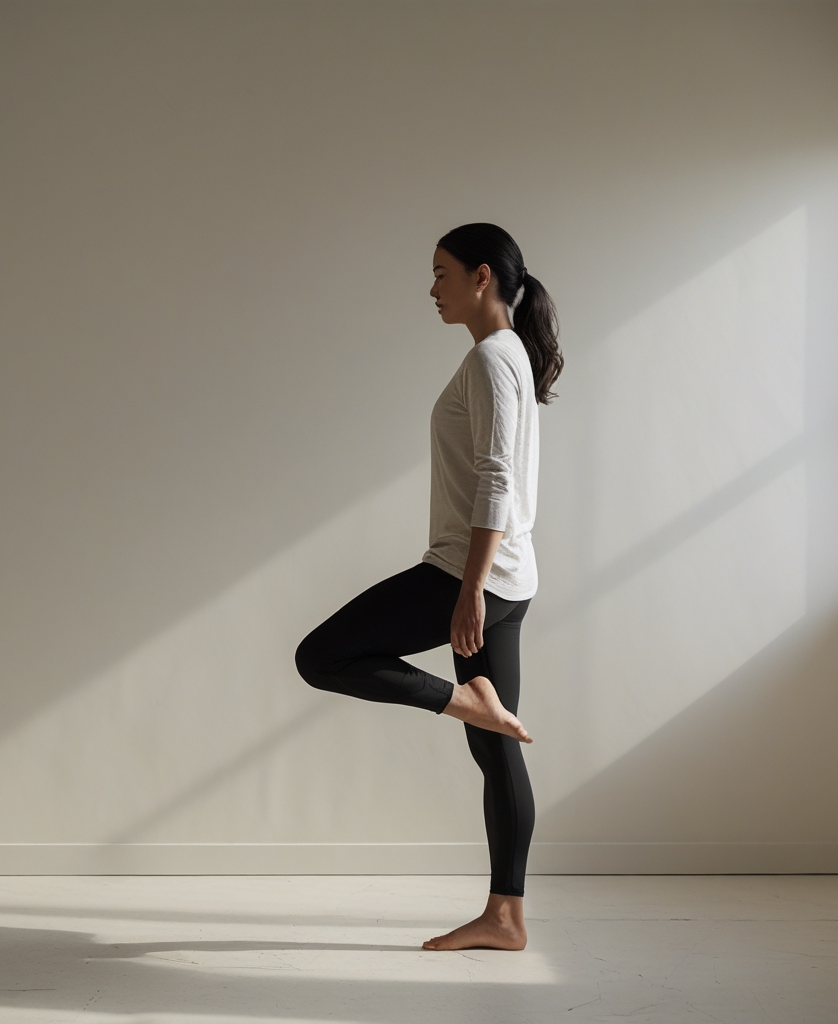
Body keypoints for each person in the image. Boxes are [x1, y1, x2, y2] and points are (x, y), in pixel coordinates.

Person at [294, 222, 563, 951]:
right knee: (497, 743)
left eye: (441, 272)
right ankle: (506, 918)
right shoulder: (509, 356)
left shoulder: (490, 360)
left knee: (321, 657)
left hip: (468, 575)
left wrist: (468, 589)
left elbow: (497, 480)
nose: (432, 288)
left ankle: (462, 701)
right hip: (509, 576)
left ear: (482, 277)